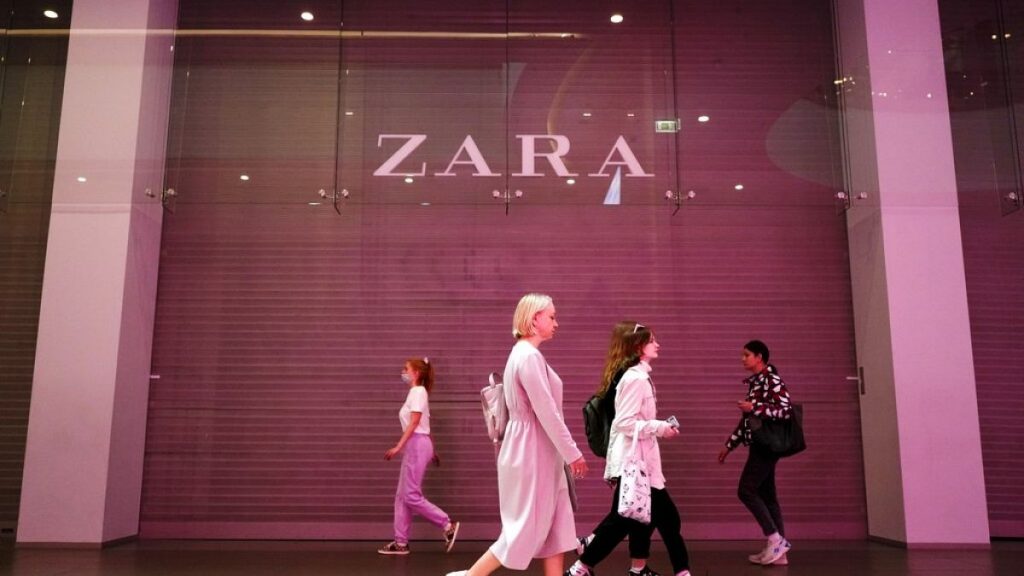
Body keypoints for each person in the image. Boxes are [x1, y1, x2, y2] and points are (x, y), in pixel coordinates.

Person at [447, 293, 588, 576]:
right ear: (535, 319)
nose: (556, 323)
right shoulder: (528, 357)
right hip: (533, 451)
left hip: (538, 449)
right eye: (551, 317)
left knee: (558, 527)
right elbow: (547, 412)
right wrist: (573, 453)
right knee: (521, 528)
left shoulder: (524, 355)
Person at [567, 322, 693, 576]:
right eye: (651, 341)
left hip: (641, 463)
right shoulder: (636, 379)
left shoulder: (638, 376)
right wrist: (660, 427)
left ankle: (622, 568)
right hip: (638, 463)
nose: (657, 345)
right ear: (638, 348)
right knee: (648, 521)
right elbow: (623, 422)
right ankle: (582, 567)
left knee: (641, 520)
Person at [717, 340, 793, 566]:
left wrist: (755, 408)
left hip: (767, 445)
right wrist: (730, 445)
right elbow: (748, 422)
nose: (743, 359)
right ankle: (779, 553)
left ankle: (776, 540)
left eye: (746, 355)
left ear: (759, 357)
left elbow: (786, 411)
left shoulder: (772, 380)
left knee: (746, 490)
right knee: (768, 496)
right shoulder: (757, 383)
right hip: (761, 444)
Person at [377, 357, 460, 555]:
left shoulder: (418, 392)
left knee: (410, 495)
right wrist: (432, 449)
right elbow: (425, 423)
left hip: (416, 444)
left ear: (416, 373)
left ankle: (447, 525)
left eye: (406, 369)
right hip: (419, 444)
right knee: (402, 496)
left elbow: (415, 422)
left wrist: (398, 446)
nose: (403, 372)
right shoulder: (417, 393)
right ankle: (401, 542)